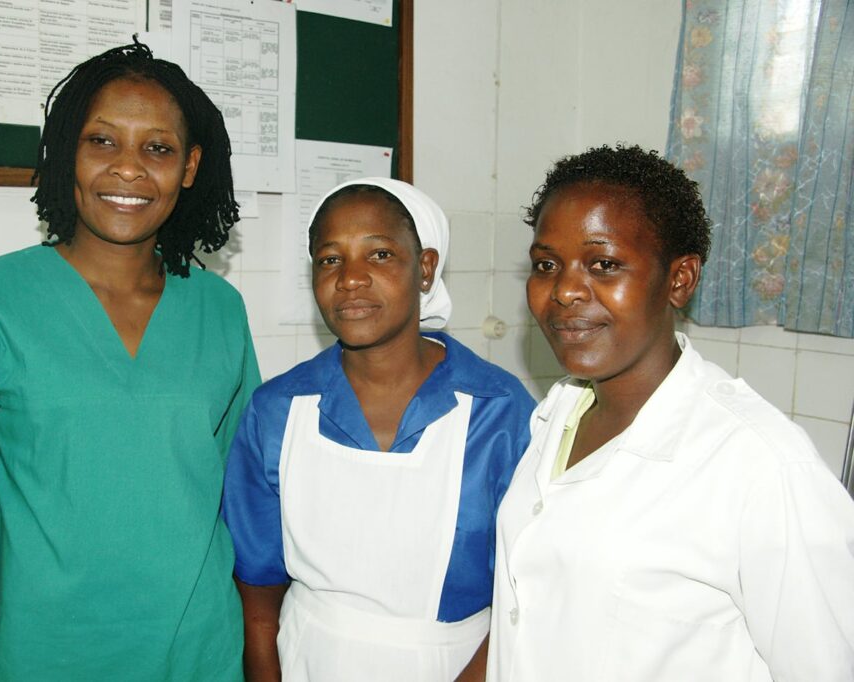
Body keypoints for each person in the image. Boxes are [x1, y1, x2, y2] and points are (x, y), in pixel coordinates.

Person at [0, 41, 260, 680]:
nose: (128, 169)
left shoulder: (219, 310)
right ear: (65, 154)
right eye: (102, 141)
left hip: (201, 655)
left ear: (189, 167)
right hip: (48, 656)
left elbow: (239, 502)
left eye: (157, 148)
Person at [486, 144, 854, 681]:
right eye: (547, 265)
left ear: (679, 280)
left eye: (603, 264)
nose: (564, 290)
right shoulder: (558, 416)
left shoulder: (762, 465)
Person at [223, 178, 536, 681]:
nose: (350, 278)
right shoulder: (278, 410)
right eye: (330, 259)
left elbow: (528, 595)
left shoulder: (499, 412)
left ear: (426, 268)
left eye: (380, 254)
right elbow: (257, 589)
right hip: (309, 659)